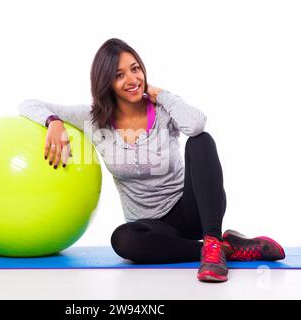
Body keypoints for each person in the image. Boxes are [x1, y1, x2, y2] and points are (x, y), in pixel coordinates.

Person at [18, 38, 285, 282]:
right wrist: (53, 122)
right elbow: (28, 104)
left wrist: (164, 95)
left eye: (135, 69)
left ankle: (213, 240)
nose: (132, 79)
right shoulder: (93, 119)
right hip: (152, 228)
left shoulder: (162, 109)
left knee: (201, 141)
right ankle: (220, 249)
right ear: (106, 83)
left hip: (192, 212)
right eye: (119, 75)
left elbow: (197, 123)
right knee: (123, 240)